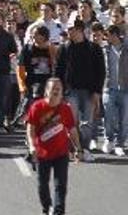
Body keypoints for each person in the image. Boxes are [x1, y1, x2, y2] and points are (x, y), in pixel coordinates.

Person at [26, 78, 79, 215]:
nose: (56, 91)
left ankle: (58, 212)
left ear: (62, 93)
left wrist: (78, 148)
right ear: (46, 91)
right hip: (42, 153)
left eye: (59, 89)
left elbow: (72, 130)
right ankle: (46, 207)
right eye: (53, 88)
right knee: (42, 185)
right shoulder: (37, 107)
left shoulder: (65, 109)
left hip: (61, 153)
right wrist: (32, 147)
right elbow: (30, 130)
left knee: (60, 186)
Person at [55, 18, 105, 162]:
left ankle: (85, 149)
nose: (68, 32)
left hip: (89, 91)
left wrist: (97, 92)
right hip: (70, 91)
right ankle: (74, 150)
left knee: (87, 123)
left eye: (71, 29)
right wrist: (59, 92)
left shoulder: (94, 48)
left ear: (79, 30)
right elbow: (58, 71)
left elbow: (100, 71)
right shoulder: (64, 48)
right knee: (72, 122)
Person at [102, 25, 128, 156]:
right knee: (108, 117)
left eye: (109, 35)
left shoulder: (126, 47)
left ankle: (120, 144)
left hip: (125, 88)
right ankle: (109, 140)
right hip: (109, 87)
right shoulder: (105, 49)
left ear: (115, 35)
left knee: (124, 119)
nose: (107, 38)